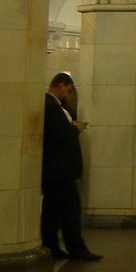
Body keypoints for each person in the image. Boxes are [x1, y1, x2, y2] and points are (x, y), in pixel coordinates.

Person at [42, 72, 100, 261]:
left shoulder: (52, 106)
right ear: (60, 85)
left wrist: (71, 126)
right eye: (67, 90)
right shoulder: (50, 105)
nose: (67, 94)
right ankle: (76, 248)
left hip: (57, 171)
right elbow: (58, 134)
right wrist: (75, 129)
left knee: (53, 210)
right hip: (60, 171)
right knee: (69, 211)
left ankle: (52, 246)